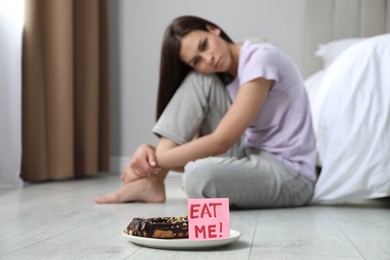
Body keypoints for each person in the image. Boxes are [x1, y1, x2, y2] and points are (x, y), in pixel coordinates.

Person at [95, 15, 317, 208]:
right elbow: (210, 146)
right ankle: (153, 183)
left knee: (197, 177)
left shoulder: (260, 59)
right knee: (200, 79)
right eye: (196, 60)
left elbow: (221, 142)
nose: (208, 59)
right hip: (249, 153)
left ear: (213, 29)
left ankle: (152, 175)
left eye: (204, 45)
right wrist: (156, 158)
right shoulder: (222, 76)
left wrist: (152, 159)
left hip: (291, 175)